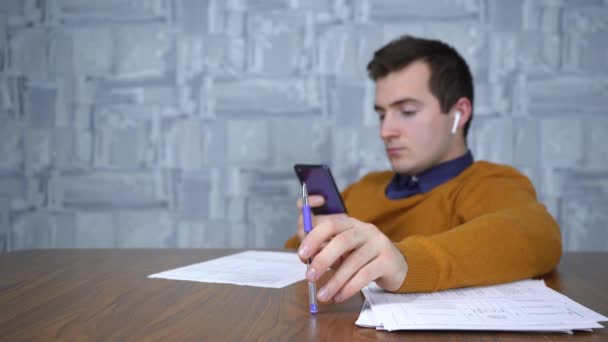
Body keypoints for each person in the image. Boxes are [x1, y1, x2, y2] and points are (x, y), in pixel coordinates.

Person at [284, 35, 562, 304]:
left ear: (459, 114)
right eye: (382, 114)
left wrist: (404, 262)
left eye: (406, 111)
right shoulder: (365, 188)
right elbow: (284, 270)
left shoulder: (489, 183)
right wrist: (313, 245)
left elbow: (538, 235)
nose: (385, 131)